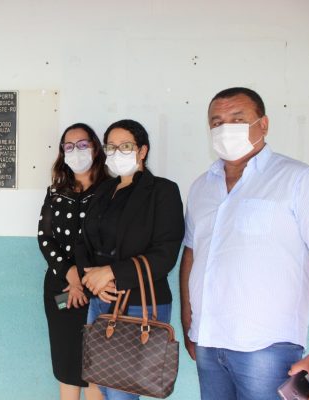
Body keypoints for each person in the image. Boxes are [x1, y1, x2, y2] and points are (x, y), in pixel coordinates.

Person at [179, 87, 309, 400]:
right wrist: (189, 321)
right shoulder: (201, 187)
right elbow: (192, 254)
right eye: (217, 123)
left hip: (268, 348)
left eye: (238, 120)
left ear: (263, 124)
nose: (225, 128)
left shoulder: (298, 179)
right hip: (208, 344)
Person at [77, 119, 184, 400]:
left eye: (125, 146)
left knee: (120, 392)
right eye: (110, 147)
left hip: (138, 305)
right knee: (100, 386)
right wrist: (93, 279)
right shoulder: (102, 190)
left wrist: (111, 273)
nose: (117, 153)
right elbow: (83, 241)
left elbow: (165, 254)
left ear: (142, 150)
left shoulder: (162, 191)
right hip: (99, 300)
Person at [38, 122, 107, 400]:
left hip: (99, 289)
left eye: (82, 144)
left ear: (95, 148)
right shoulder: (55, 192)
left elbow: (113, 241)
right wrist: (70, 275)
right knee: (67, 362)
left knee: (97, 366)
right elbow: (45, 238)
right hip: (61, 290)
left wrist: (85, 280)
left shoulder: (111, 191)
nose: (75, 150)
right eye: (69, 146)